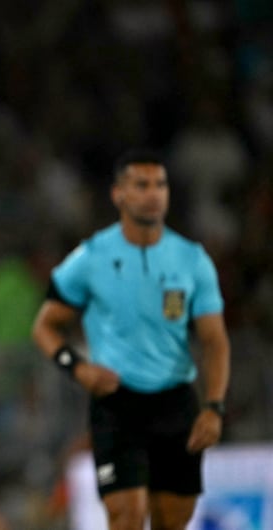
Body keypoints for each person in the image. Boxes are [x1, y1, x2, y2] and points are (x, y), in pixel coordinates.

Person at [31, 149, 231, 530]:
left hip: (176, 404)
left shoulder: (192, 259)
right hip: (117, 404)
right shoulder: (91, 257)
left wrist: (214, 406)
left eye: (160, 184)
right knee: (127, 516)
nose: (153, 194)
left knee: (173, 521)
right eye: (141, 185)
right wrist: (77, 367)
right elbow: (44, 326)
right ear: (118, 194)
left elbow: (215, 340)